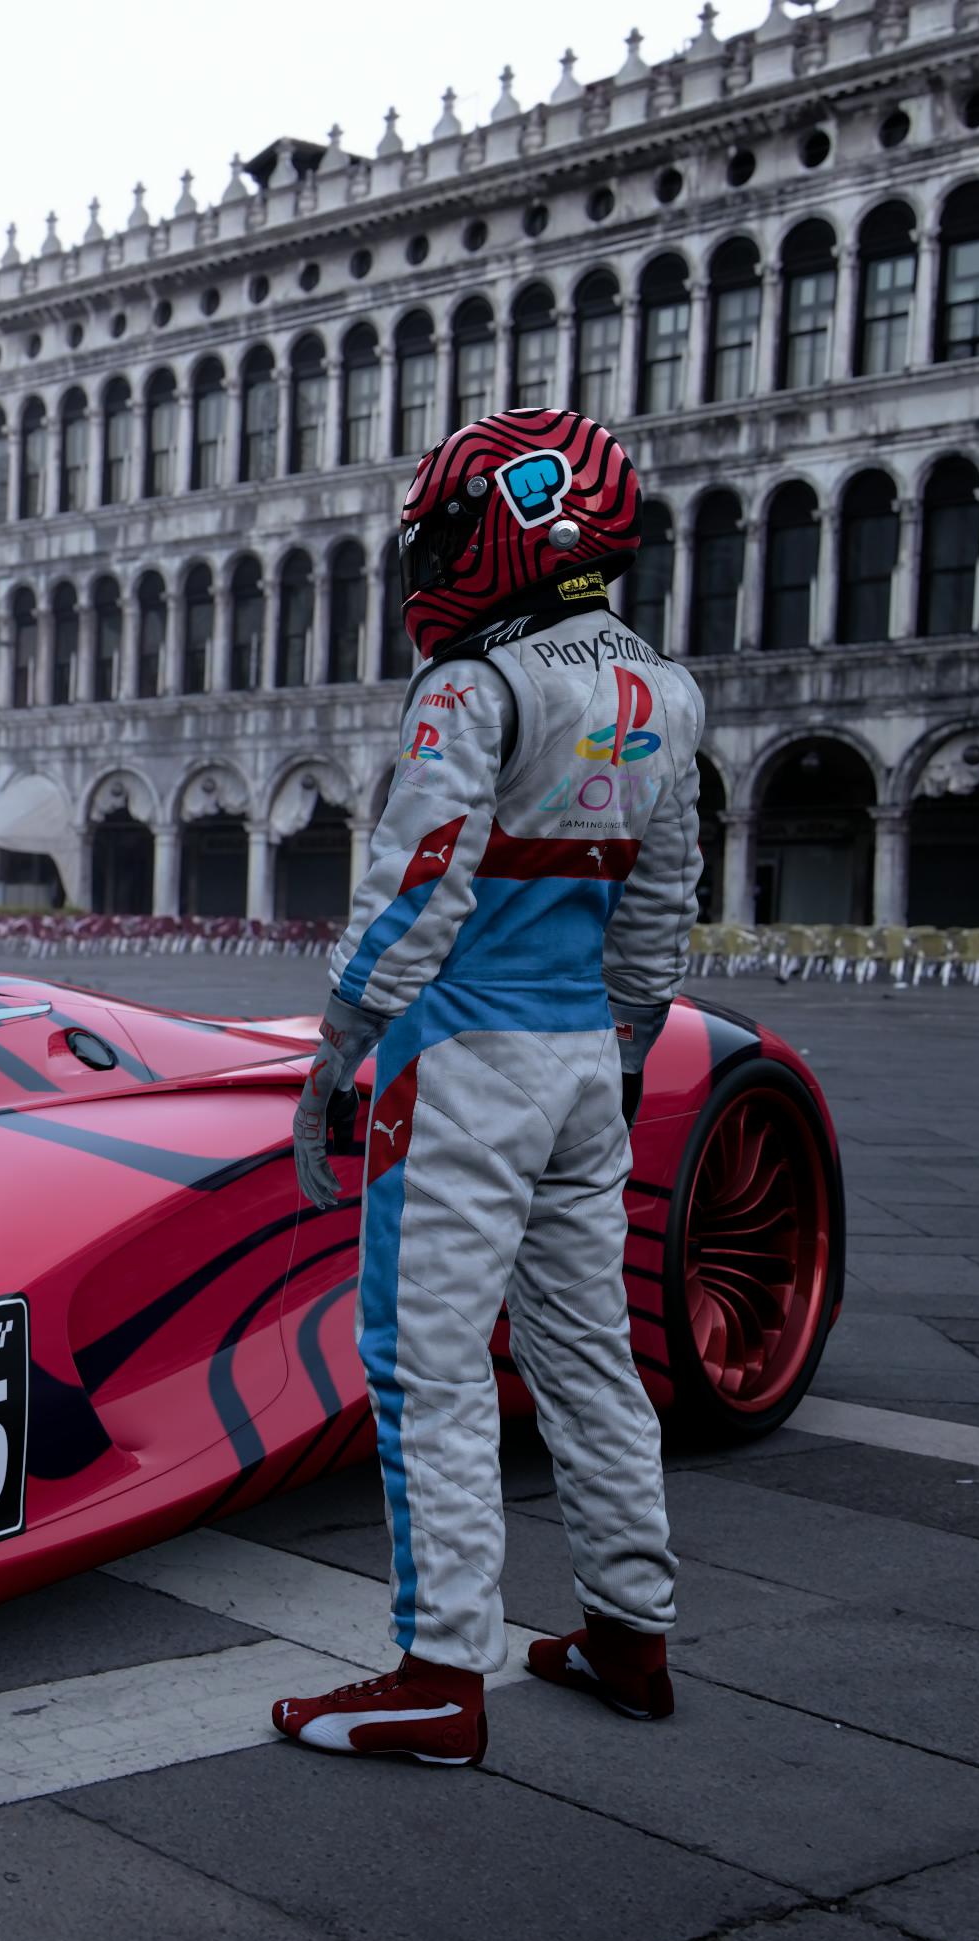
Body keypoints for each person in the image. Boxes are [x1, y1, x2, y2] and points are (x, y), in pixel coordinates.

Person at [267, 409, 707, 1767]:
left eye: (454, 529)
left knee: (428, 1367)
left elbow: (420, 879)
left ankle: (438, 1672)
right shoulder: (667, 692)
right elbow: (663, 903)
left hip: (459, 1063)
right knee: (590, 1355)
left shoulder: (475, 685)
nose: (436, 558)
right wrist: (625, 1056)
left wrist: (340, 1050)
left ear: (523, 527)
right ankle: (632, 1633)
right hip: (583, 1061)